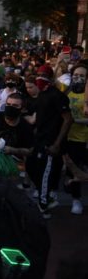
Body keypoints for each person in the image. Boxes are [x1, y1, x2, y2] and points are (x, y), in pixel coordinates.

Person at [28, 65, 73, 219]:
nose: (40, 77)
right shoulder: (42, 94)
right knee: (31, 167)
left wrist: (57, 144)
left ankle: (44, 205)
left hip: (51, 142)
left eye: (44, 75)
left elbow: (68, 119)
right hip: (39, 139)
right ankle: (47, 197)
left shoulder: (57, 96)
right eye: (38, 74)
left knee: (44, 174)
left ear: (51, 77)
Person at [63, 64, 88, 214]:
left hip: (81, 138)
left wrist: (76, 120)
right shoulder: (67, 90)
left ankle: (76, 200)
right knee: (69, 166)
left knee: (76, 168)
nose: (78, 78)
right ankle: (71, 194)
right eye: (76, 75)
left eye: (82, 76)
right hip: (65, 135)